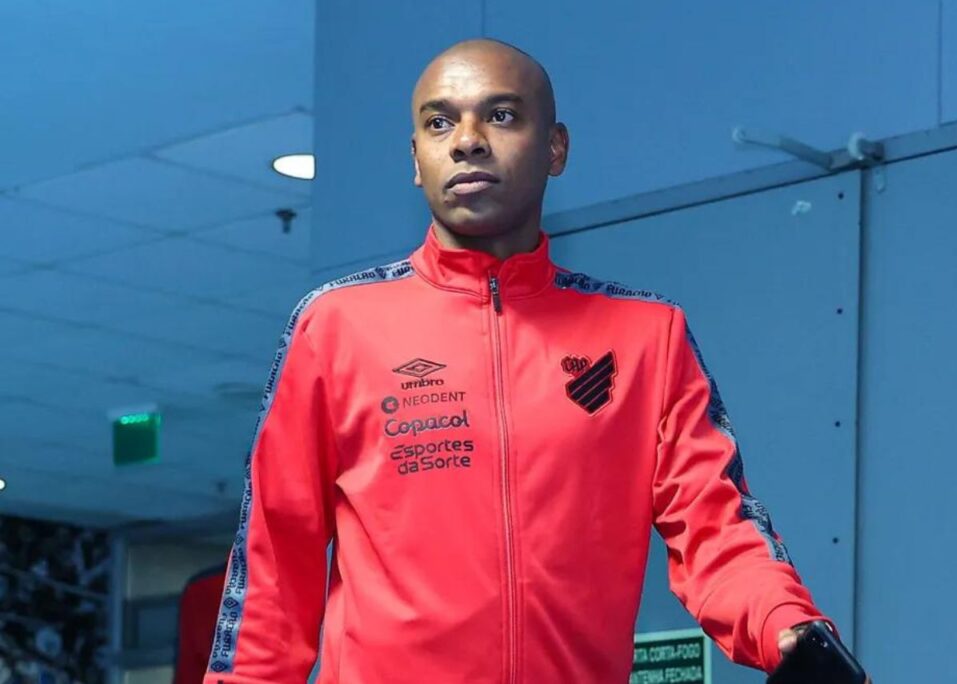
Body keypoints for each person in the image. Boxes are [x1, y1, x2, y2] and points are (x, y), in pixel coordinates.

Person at [204, 38, 853, 683]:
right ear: (416, 158)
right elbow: (271, 575)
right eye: (439, 123)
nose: (467, 141)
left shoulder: (647, 337)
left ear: (556, 147)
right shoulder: (336, 326)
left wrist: (787, 625)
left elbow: (720, 531)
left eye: (501, 115)